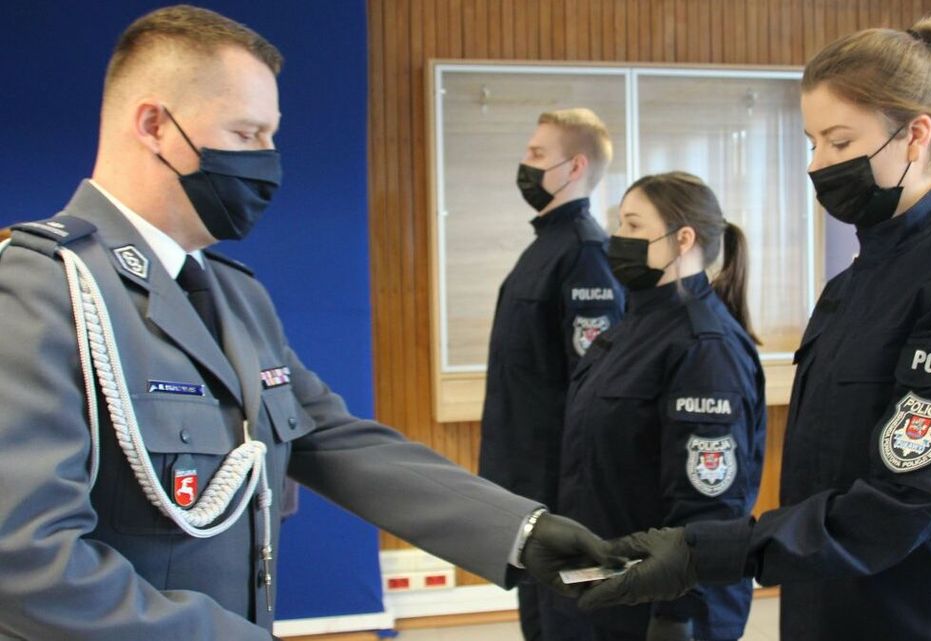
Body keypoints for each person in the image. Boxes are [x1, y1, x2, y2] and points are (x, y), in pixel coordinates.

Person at [0, 7, 613, 640]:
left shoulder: (234, 296)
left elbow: (335, 441)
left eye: (271, 135)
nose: (269, 161)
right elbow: (25, 563)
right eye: (247, 133)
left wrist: (522, 533)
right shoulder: (40, 289)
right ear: (155, 125)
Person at [579, 17, 931, 641]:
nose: (818, 164)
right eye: (812, 142)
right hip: (831, 605)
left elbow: (906, 498)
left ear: (915, 136)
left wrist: (710, 552)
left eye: (839, 141)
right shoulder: (853, 284)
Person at [554, 172, 765, 641]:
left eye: (633, 225)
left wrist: (677, 617)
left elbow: (708, 502)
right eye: (619, 224)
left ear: (683, 239)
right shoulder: (634, 326)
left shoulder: (704, 347)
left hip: (665, 607)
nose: (617, 238)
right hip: (612, 587)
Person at [479, 107, 625, 640]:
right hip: (526, 486)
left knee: (567, 626)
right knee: (539, 624)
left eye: (538, 155)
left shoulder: (586, 254)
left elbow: (593, 386)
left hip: (561, 492)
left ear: (575, 167)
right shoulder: (544, 247)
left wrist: (571, 497)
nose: (525, 164)